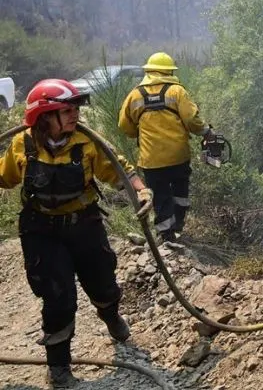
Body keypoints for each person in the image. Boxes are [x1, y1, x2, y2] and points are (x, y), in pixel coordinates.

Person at [0, 79, 152, 388]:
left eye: (75, 110)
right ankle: (59, 367)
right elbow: (5, 177)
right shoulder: (23, 145)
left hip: (83, 223)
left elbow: (119, 169)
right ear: (45, 117)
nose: (75, 116)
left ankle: (111, 316)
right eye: (67, 110)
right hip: (40, 228)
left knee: (103, 282)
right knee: (58, 296)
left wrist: (142, 191)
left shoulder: (86, 142)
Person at [118, 52, 213, 243]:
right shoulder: (177, 92)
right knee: (180, 191)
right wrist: (206, 132)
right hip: (179, 156)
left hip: (151, 159)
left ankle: (165, 234)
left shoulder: (135, 94)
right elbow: (192, 119)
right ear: (169, 71)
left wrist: (139, 133)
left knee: (160, 196)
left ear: (149, 71)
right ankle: (178, 224)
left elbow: (124, 125)